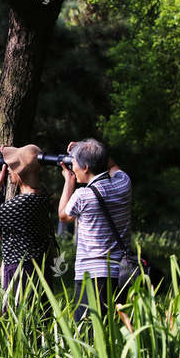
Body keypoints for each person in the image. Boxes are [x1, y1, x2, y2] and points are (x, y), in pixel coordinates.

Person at [57, 138, 132, 322]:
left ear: (86, 168)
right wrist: (87, 150)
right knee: (115, 330)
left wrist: (69, 180)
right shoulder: (124, 184)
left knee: (89, 334)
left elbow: (63, 215)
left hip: (91, 277)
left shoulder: (82, 195)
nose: (72, 166)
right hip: (122, 275)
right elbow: (111, 164)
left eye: (74, 163)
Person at [0, 144, 53, 295]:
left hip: (20, 269)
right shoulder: (43, 194)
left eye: (12, 166)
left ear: (22, 171)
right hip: (40, 267)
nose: (8, 169)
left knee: (19, 315)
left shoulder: (22, 203)